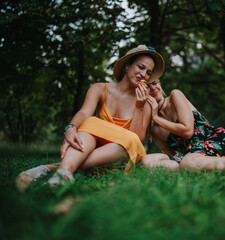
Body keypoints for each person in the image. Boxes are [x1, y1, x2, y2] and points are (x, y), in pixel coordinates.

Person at [17, 44, 165, 185]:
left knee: (114, 136)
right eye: (141, 67)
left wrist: (139, 106)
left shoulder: (146, 102)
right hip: (98, 151)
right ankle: (64, 173)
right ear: (127, 65)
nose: (144, 74)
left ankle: (50, 168)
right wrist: (71, 128)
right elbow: (84, 112)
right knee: (89, 123)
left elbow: (136, 140)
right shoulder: (100, 88)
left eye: (149, 73)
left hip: (123, 155)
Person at [141, 78, 225, 175]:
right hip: (191, 157)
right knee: (147, 161)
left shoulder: (174, 96)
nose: (153, 88)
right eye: (147, 86)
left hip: (213, 140)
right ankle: (204, 170)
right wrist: (154, 119)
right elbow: (171, 154)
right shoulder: (154, 129)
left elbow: (187, 131)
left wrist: (156, 117)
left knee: (188, 162)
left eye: (155, 83)